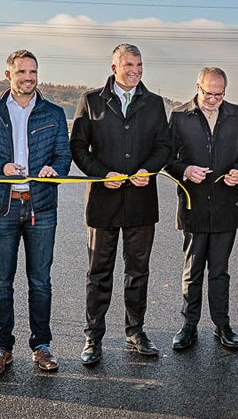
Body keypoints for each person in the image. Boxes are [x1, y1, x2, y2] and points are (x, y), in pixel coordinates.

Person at [0, 49, 71, 376]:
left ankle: (41, 345)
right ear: (8, 75)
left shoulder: (54, 113)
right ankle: (2, 347)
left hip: (41, 206)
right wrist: (1, 167)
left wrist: (55, 169)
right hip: (2, 206)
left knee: (40, 281)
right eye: (22, 72)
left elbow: (64, 157)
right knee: (2, 280)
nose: (29, 77)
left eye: (33, 72)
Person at [70, 44, 171, 365]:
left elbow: (164, 146)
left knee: (138, 271)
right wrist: (101, 174)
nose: (135, 70)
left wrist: (148, 170)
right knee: (99, 272)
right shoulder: (91, 100)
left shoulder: (154, 103)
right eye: (128, 64)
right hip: (103, 200)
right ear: (114, 66)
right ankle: (93, 337)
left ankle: (136, 331)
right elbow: (78, 147)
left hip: (141, 200)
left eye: (139, 64)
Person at [166, 67, 238, 350]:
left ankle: (222, 325)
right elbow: (166, 157)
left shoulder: (236, 115)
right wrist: (185, 170)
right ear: (197, 87)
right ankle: (188, 326)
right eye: (208, 93)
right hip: (193, 205)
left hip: (226, 205)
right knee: (192, 270)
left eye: (219, 94)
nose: (213, 99)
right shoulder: (179, 116)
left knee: (220, 271)